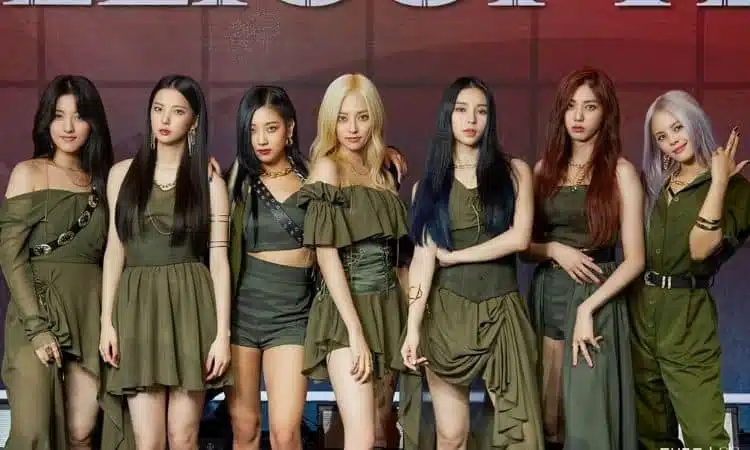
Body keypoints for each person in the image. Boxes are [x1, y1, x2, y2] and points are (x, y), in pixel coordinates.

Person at [400, 76, 543, 450]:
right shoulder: (427, 186)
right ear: (447, 116)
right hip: (446, 315)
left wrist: (456, 256)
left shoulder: (515, 172)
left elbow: (519, 239)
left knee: (520, 433)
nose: (471, 120)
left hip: (502, 310)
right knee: (451, 435)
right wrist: (412, 328)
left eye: (481, 111)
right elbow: (423, 260)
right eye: (462, 110)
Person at [99, 74, 232, 449]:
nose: (166, 119)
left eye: (177, 111)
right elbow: (115, 251)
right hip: (137, 308)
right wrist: (107, 322)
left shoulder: (209, 182)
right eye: (158, 109)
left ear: (194, 121)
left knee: (184, 437)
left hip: (191, 307)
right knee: (148, 441)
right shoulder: (121, 175)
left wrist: (222, 335)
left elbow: (219, 262)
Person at [524, 67, 642, 450]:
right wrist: (555, 249)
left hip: (598, 297)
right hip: (549, 295)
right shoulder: (543, 170)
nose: (577, 116)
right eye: (571, 106)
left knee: (588, 418)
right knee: (548, 418)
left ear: (605, 113)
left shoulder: (621, 173)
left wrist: (588, 309)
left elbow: (635, 260)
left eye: (589, 107)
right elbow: (523, 245)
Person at [0, 74, 113, 450]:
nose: (68, 127)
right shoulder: (28, 172)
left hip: (90, 312)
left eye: (78, 116)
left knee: (82, 433)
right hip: (37, 311)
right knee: (33, 430)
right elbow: (10, 254)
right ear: (46, 121)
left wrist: (203, 167)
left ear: (92, 123)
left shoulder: (104, 181)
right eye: (58, 115)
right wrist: (36, 327)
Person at [632, 90, 750, 450]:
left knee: (704, 436)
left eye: (677, 127)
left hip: (689, 321)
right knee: (651, 436)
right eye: (661, 137)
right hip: (642, 316)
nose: (672, 141)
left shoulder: (737, 190)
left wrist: (718, 182)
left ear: (695, 122)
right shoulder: (654, 183)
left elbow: (700, 249)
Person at [298, 73, 409, 450]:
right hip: (345, 314)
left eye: (362, 117)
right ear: (330, 121)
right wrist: (356, 331)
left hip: (387, 309)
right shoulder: (327, 168)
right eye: (343, 118)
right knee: (360, 437)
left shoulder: (383, 172)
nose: (353, 128)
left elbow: (398, 255)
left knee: (380, 433)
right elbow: (326, 254)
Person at [224, 85, 313, 450]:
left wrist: (385, 152)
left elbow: (353, 162)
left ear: (289, 129)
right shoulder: (235, 182)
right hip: (242, 315)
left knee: (285, 432)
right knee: (245, 430)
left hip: (292, 316)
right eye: (253, 130)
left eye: (271, 128)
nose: (261, 139)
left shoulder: (315, 177)